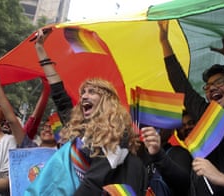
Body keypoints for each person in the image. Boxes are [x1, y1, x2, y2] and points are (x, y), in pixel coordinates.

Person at [25, 28, 148, 196]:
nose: (83, 97)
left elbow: (94, 182)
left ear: (106, 100)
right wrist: (40, 49)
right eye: (83, 93)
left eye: (91, 92)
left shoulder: (118, 134)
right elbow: (60, 96)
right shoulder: (81, 128)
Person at [158, 20, 224, 196]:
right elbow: (181, 85)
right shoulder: (210, 119)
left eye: (219, 82)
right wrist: (164, 40)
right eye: (207, 87)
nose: (211, 88)